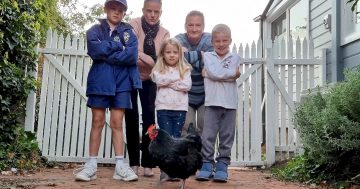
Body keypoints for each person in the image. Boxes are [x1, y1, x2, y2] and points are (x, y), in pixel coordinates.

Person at [73, 0, 140, 182]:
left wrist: (107, 51)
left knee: (117, 122)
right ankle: (91, 166)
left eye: (120, 10)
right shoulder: (94, 30)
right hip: (99, 81)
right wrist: (119, 47)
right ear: (105, 9)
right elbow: (95, 51)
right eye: (113, 9)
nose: (116, 13)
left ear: (124, 13)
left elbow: (132, 56)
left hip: (122, 82)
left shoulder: (128, 32)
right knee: (97, 120)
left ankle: (120, 166)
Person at [125, 0, 170, 177]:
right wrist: (149, 58)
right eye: (149, 11)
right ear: (143, 10)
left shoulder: (165, 33)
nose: (152, 15)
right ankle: (134, 162)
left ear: (161, 13)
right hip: (130, 76)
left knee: (150, 119)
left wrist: (142, 56)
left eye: (156, 12)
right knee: (131, 117)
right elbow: (129, 52)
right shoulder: (133, 25)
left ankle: (148, 163)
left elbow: (163, 60)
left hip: (151, 79)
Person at [195, 24, 241, 183]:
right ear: (212, 42)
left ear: (230, 40)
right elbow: (217, 73)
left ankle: (222, 166)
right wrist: (230, 75)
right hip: (212, 103)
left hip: (230, 103)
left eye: (224, 41)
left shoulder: (235, 57)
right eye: (217, 41)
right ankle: (207, 164)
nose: (221, 44)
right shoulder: (207, 56)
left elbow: (214, 74)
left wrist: (211, 74)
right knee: (208, 136)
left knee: (227, 136)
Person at [150, 38, 192, 181]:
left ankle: (175, 171)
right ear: (163, 54)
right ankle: (164, 171)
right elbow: (159, 80)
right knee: (166, 140)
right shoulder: (158, 69)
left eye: (175, 52)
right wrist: (174, 81)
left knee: (176, 139)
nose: (172, 55)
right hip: (163, 108)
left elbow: (187, 85)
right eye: (168, 52)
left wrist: (168, 82)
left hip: (180, 109)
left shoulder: (185, 69)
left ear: (180, 54)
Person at [174, 10, 213, 136]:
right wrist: (201, 55)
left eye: (198, 25)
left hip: (205, 94)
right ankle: (187, 156)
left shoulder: (210, 39)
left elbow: (211, 63)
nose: (194, 29)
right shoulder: (179, 39)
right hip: (186, 94)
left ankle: (205, 156)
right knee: (185, 127)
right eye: (191, 25)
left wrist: (186, 56)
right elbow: (175, 60)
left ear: (203, 27)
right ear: (185, 27)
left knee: (205, 126)